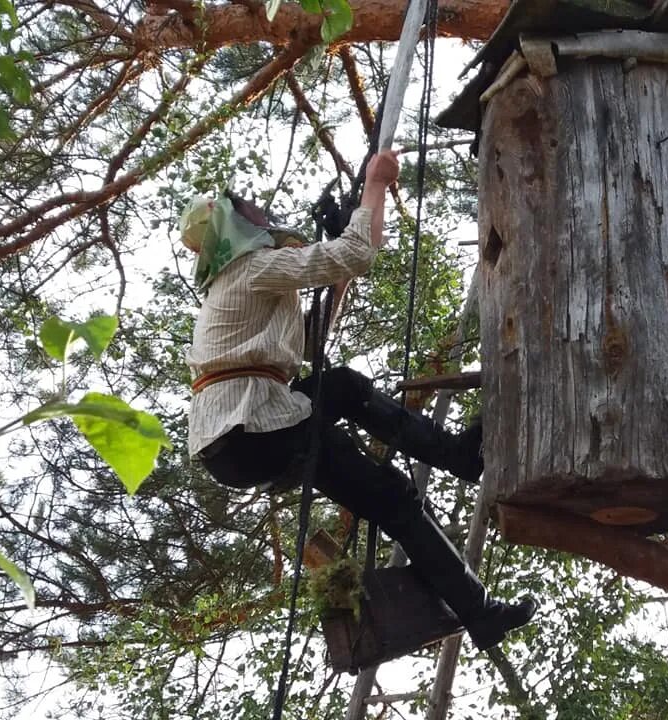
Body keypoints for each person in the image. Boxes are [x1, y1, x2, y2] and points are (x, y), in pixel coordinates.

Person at [180, 150, 536, 652]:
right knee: (393, 492)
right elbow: (359, 253)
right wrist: (375, 182)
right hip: (252, 424)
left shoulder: (245, 284)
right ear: (232, 223)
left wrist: (342, 246)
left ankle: (479, 612)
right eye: (248, 207)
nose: (260, 209)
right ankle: (459, 464)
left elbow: (310, 343)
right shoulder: (251, 270)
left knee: (355, 417)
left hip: (244, 435)